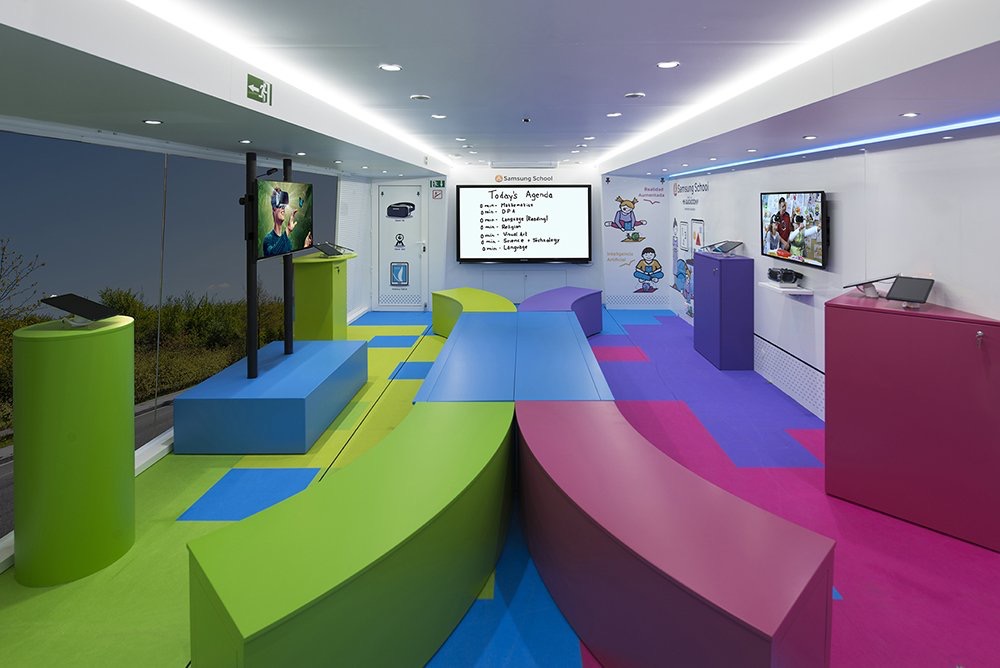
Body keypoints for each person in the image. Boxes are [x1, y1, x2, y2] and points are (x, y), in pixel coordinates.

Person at [262, 187, 312, 257]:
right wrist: (288, 230)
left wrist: (306, 246)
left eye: (284, 206)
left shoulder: (288, 242)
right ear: (274, 208)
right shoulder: (268, 239)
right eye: (280, 205)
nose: (283, 208)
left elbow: (293, 260)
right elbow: (272, 255)